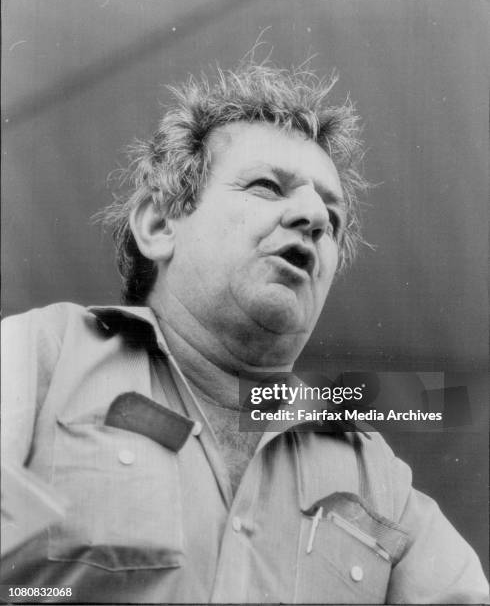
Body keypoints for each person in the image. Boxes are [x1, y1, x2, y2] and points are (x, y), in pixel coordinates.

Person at [1, 62, 488, 604]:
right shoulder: (37, 356)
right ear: (160, 226)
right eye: (266, 186)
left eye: (332, 215)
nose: (314, 218)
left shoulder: (379, 479)